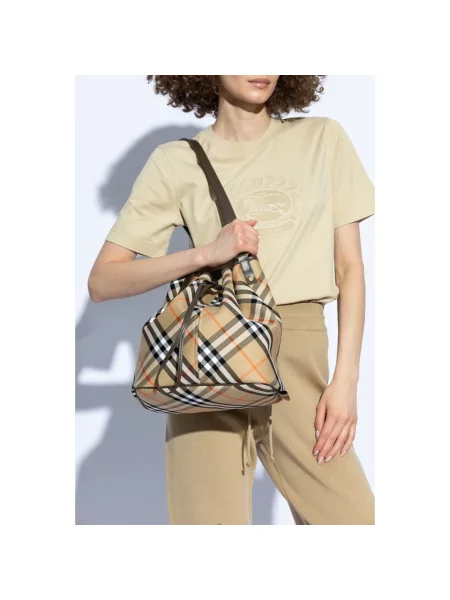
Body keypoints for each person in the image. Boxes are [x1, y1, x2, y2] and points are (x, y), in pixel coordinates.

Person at [88, 75, 375, 525]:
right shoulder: (176, 162)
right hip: (204, 365)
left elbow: (350, 269)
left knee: (354, 522)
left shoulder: (323, 139)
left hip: (299, 361)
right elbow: (103, 280)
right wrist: (205, 254)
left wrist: (347, 381)